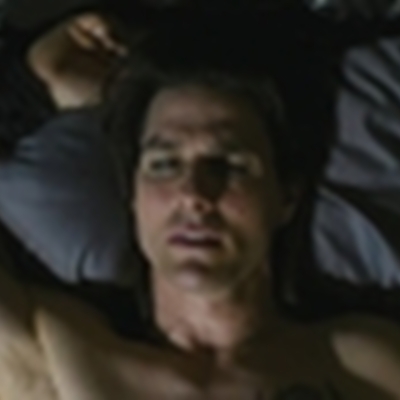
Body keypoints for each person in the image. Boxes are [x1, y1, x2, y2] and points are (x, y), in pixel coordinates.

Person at [1, 22, 400, 400]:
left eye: (229, 166)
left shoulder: (363, 364)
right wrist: (29, 85)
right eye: (164, 165)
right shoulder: (60, 363)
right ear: (133, 196)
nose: (193, 194)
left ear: (286, 198)